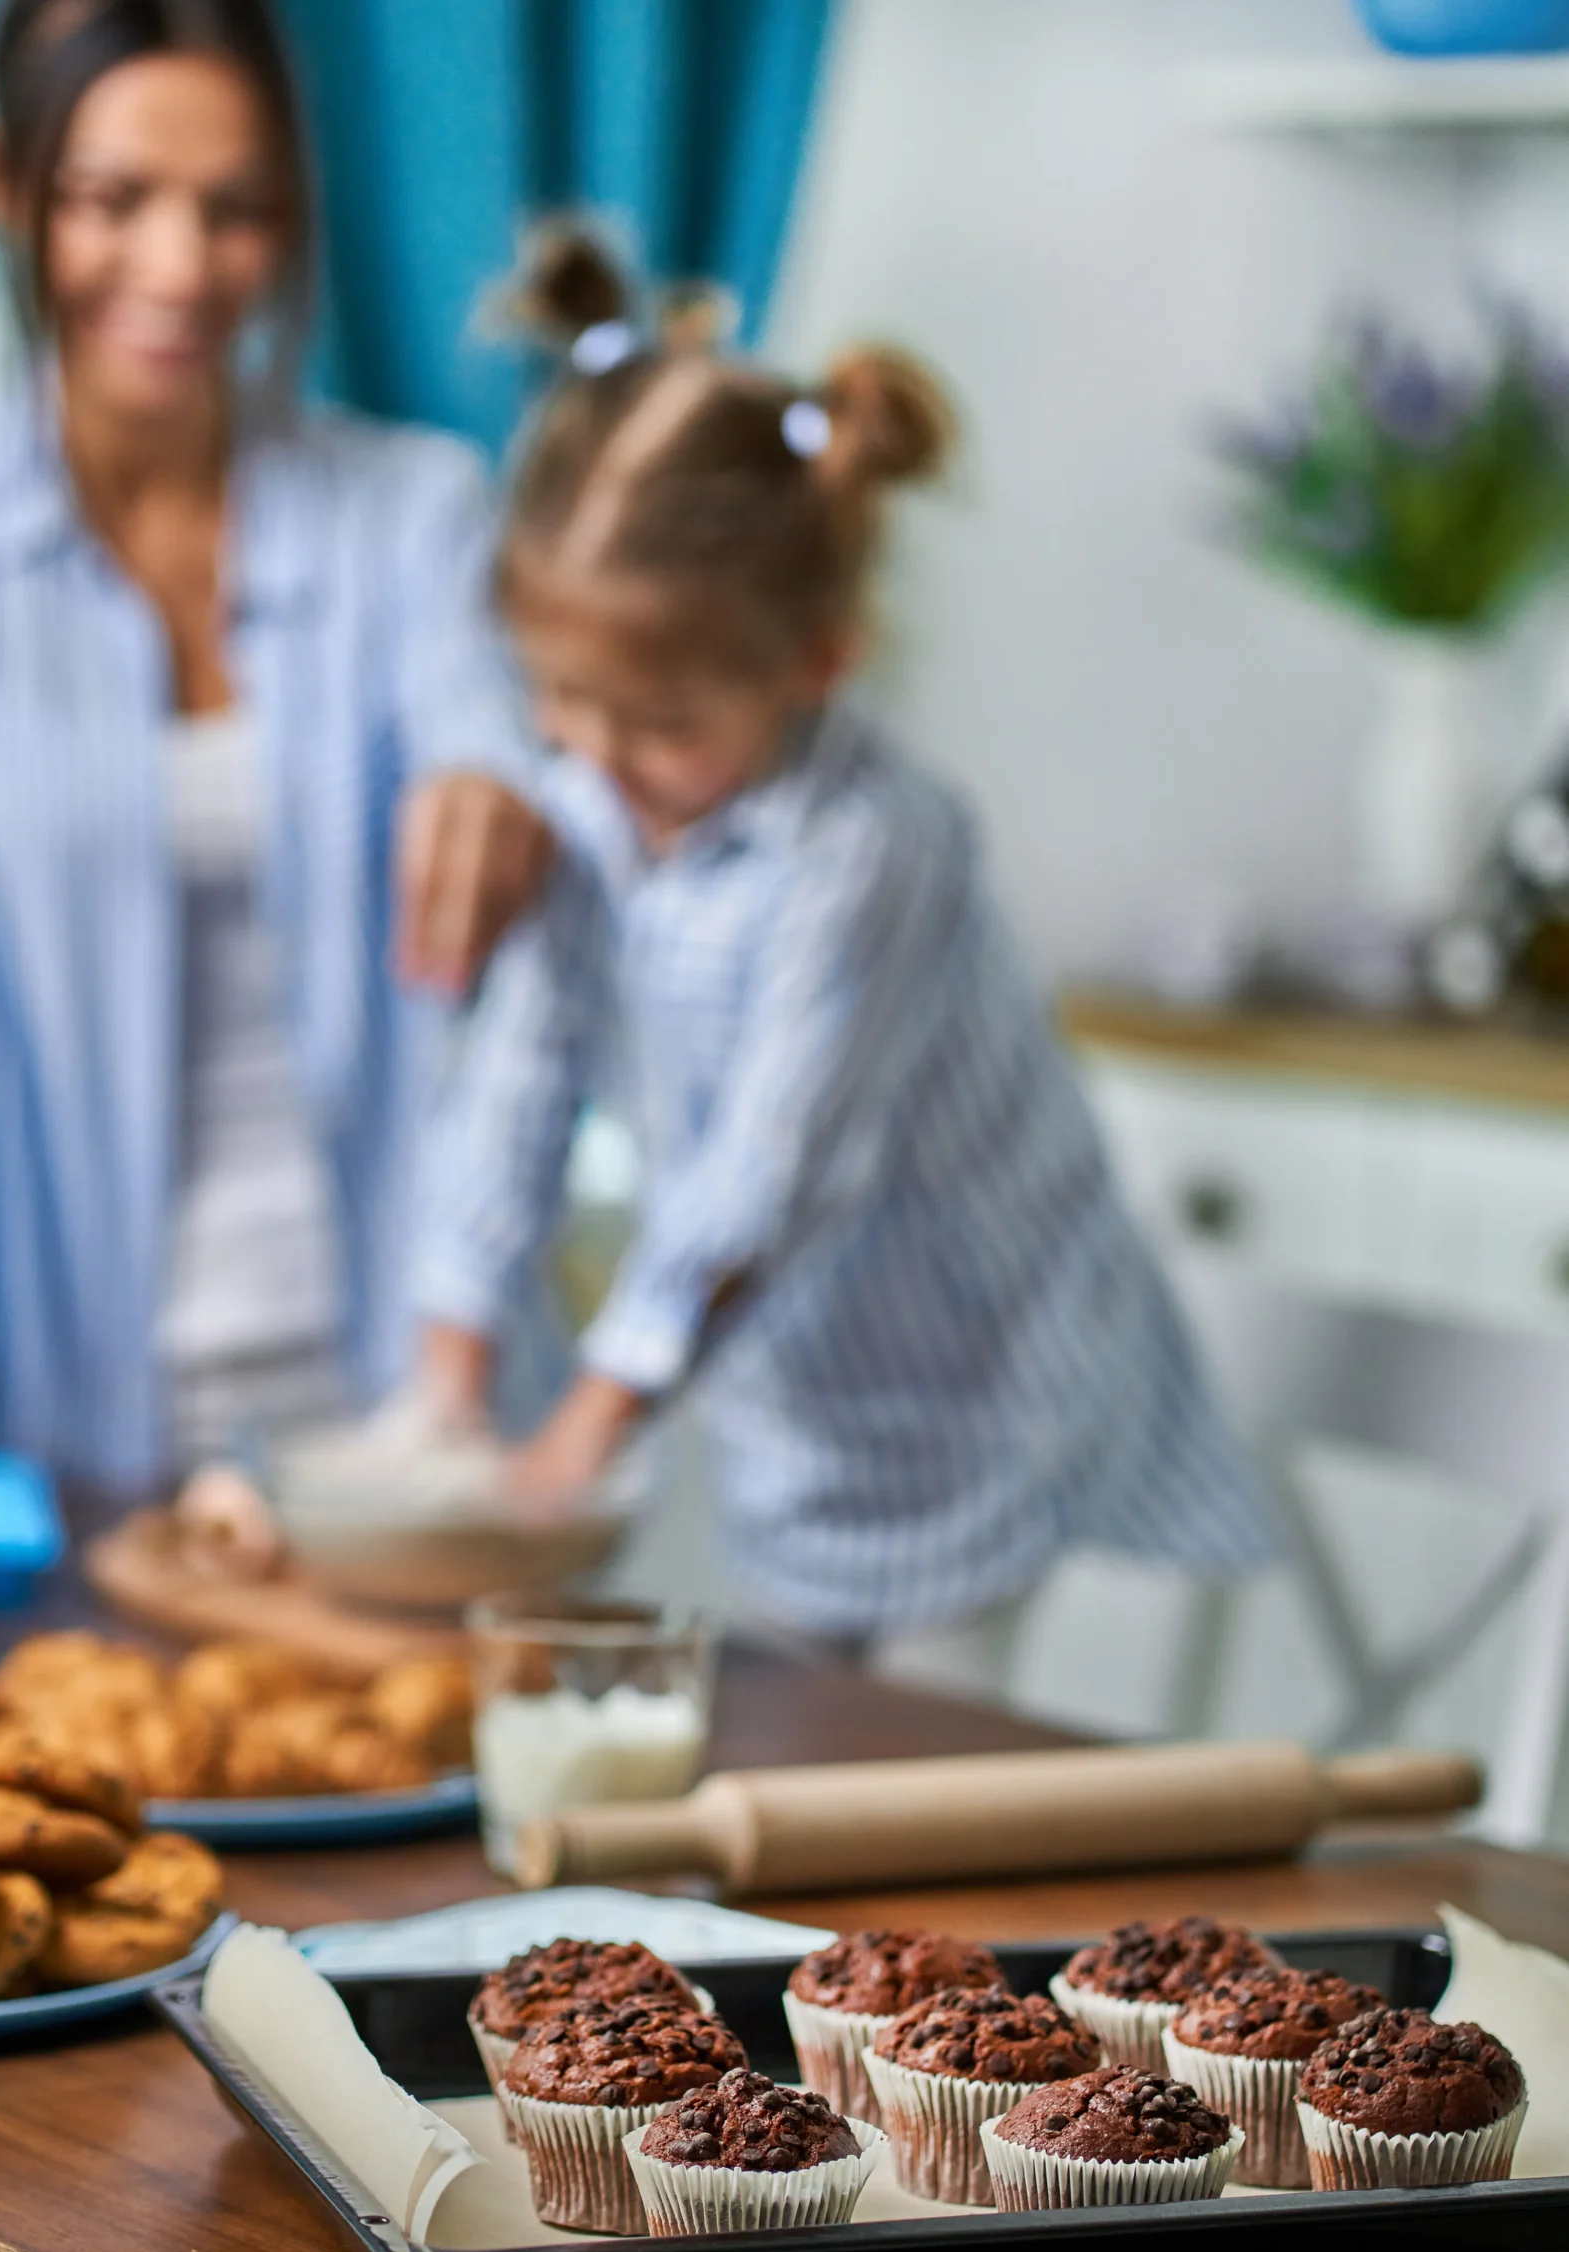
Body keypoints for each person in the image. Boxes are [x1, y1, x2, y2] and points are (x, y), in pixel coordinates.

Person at [415, 232, 1273, 1678]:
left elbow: (775, 1164)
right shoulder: (591, 802)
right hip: (798, 1394)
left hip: (981, 1381)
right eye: (558, 700)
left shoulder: (876, 848)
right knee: (794, 1726)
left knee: (917, 1759)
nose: (599, 758)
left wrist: (590, 1420)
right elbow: (519, 1075)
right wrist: (452, 1374)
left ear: (816, 659)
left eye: (663, 724)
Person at [0, 0, 555, 1496]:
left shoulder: (410, 510)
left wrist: (498, 773)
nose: (179, 269)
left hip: (378, 1423)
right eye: (115, 202)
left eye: (235, 212)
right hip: (49, 1425)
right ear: (6, 191)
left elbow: (481, 712)